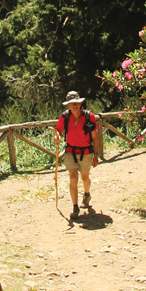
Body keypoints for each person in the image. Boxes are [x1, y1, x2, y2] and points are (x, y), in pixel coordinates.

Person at [55, 90, 99, 219]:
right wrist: (57, 137)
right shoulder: (65, 117)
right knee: (73, 178)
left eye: (77, 103)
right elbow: (59, 131)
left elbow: (95, 137)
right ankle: (75, 207)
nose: (75, 106)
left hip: (86, 152)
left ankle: (86, 193)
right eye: (72, 104)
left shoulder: (89, 117)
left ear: (80, 104)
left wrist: (96, 154)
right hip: (70, 151)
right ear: (68, 105)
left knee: (85, 177)